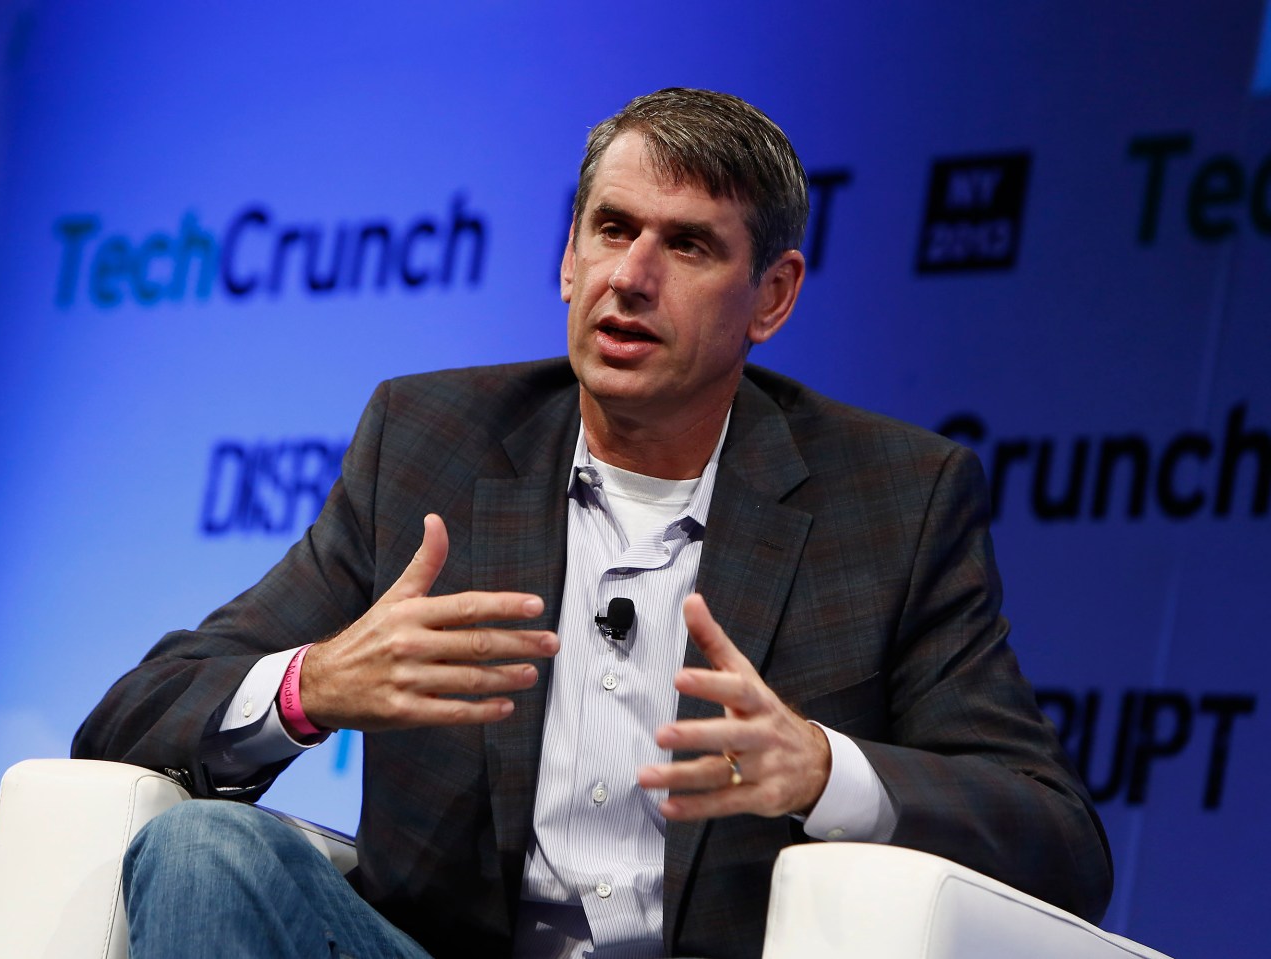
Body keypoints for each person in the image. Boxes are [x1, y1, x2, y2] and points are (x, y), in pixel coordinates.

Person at [73, 87, 1111, 959]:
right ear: (568, 254)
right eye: (612, 229)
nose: (631, 275)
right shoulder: (429, 441)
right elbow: (133, 716)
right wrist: (312, 686)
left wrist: (822, 768)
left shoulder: (894, 500)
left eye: (690, 245)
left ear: (773, 296)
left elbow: (1059, 839)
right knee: (203, 851)